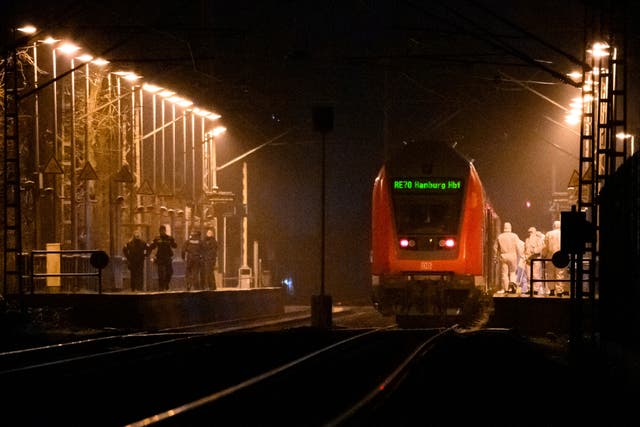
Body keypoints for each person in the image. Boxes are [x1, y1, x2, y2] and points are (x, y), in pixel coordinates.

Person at [493, 222, 523, 294]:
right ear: (510, 227)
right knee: (513, 272)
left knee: (504, 273)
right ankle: (512, 283)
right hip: (513, 256)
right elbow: (518, 246)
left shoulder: (500, 236)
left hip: (503, 256)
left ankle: (506, 289)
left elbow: (495, 248)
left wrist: (495, 257)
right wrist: (521, 255)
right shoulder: (514, 236)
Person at [148, 225, 177, 291]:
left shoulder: (169, 238)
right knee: (160, 273)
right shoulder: (157, 238)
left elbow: (175, 245)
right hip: (160, 258)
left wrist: (174, 243)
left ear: (165, 231)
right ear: (159, 231)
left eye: (163, 230)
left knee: (169, 272)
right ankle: (161, 287)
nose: (162, 232)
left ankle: (166, 283)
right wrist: (149, 253)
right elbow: (152, 246)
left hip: (167, 257)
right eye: (161, 230)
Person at [543, 220, 566, 296]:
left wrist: (544, 255)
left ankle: (552, 290)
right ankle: (559, 291)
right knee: (560, 273)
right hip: (561, 256)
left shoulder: (548, 234)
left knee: (550, 273)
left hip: (550, 256)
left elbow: (545, 246)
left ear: (553, 226)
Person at [524, 227, 546, 295]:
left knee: (536, 274)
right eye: (529, 232)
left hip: (536, 259)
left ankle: (536, 289)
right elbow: (525, 249)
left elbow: (541, 248)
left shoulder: (539, 240)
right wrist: (525, 256)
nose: (530, 233)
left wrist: (534, 251)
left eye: (531, 232)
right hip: (528, 259)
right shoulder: (527, 240)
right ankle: (530, 288)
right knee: (528, 275)